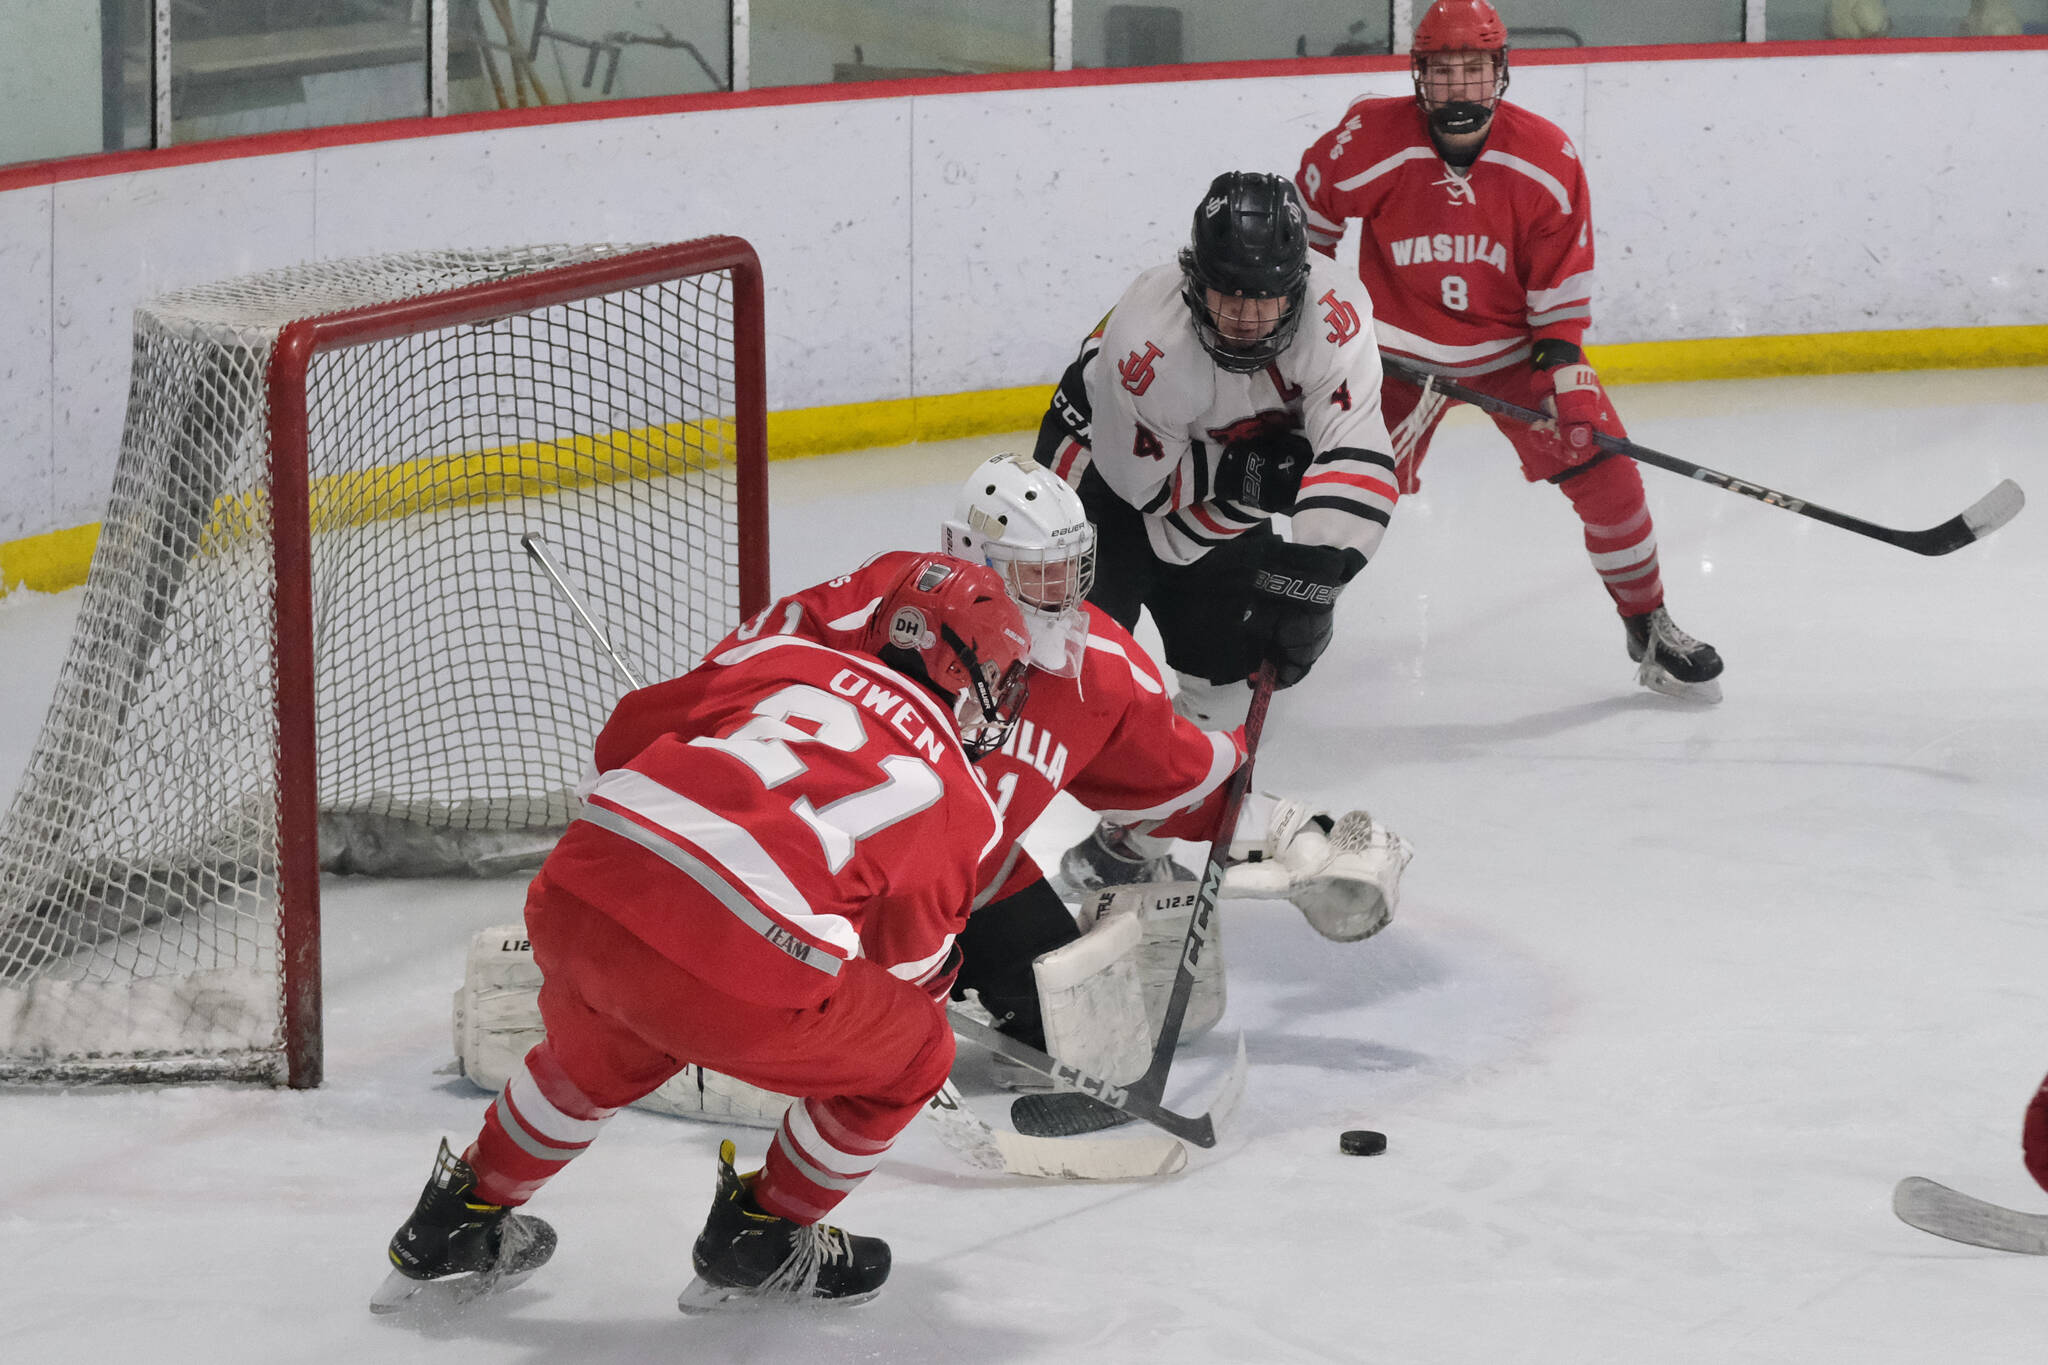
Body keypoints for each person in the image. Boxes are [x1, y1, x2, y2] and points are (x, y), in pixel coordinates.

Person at [371, 553, 1033, 1314]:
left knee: (609, 1041)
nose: (1001, 700)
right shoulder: (963, 798)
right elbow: (906, 970)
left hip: (580, 894)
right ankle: (765, 1235)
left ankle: (458, 1217)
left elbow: (621, 741)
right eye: (1001, 673)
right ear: (958, 663)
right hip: (732, 973)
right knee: (918, 1049)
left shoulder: (784, 658)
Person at [1294, 0, 1724, 703]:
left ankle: (1647, 623)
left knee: (1610, 478)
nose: (1458, 87)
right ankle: (1290, 622)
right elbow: (1307, 224)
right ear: (1418, 76)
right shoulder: (1368, 140)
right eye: (1442, 71)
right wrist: (1330, 325)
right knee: (1340, 495)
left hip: (1510, 354)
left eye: (1474, 70)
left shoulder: (1547, 159)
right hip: (1395, 354)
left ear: (1501, 72)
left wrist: (1563, 369)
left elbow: (1558, 291)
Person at [1030, 168, 1403, 890]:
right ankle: (972, 861)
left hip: (1214, 475)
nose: (1243, 315)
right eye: (1227, 292)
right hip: (1097, 478)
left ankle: (1122, 849)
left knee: (1226, 685)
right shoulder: (1150, 345)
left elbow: (1355, 453)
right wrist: (1247, 478)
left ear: (1297, 285)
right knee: (1075, 683)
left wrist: (1318, 576)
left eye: (1264, 297)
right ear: (1192, 277)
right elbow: (1146, 494)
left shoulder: (1337, 320)